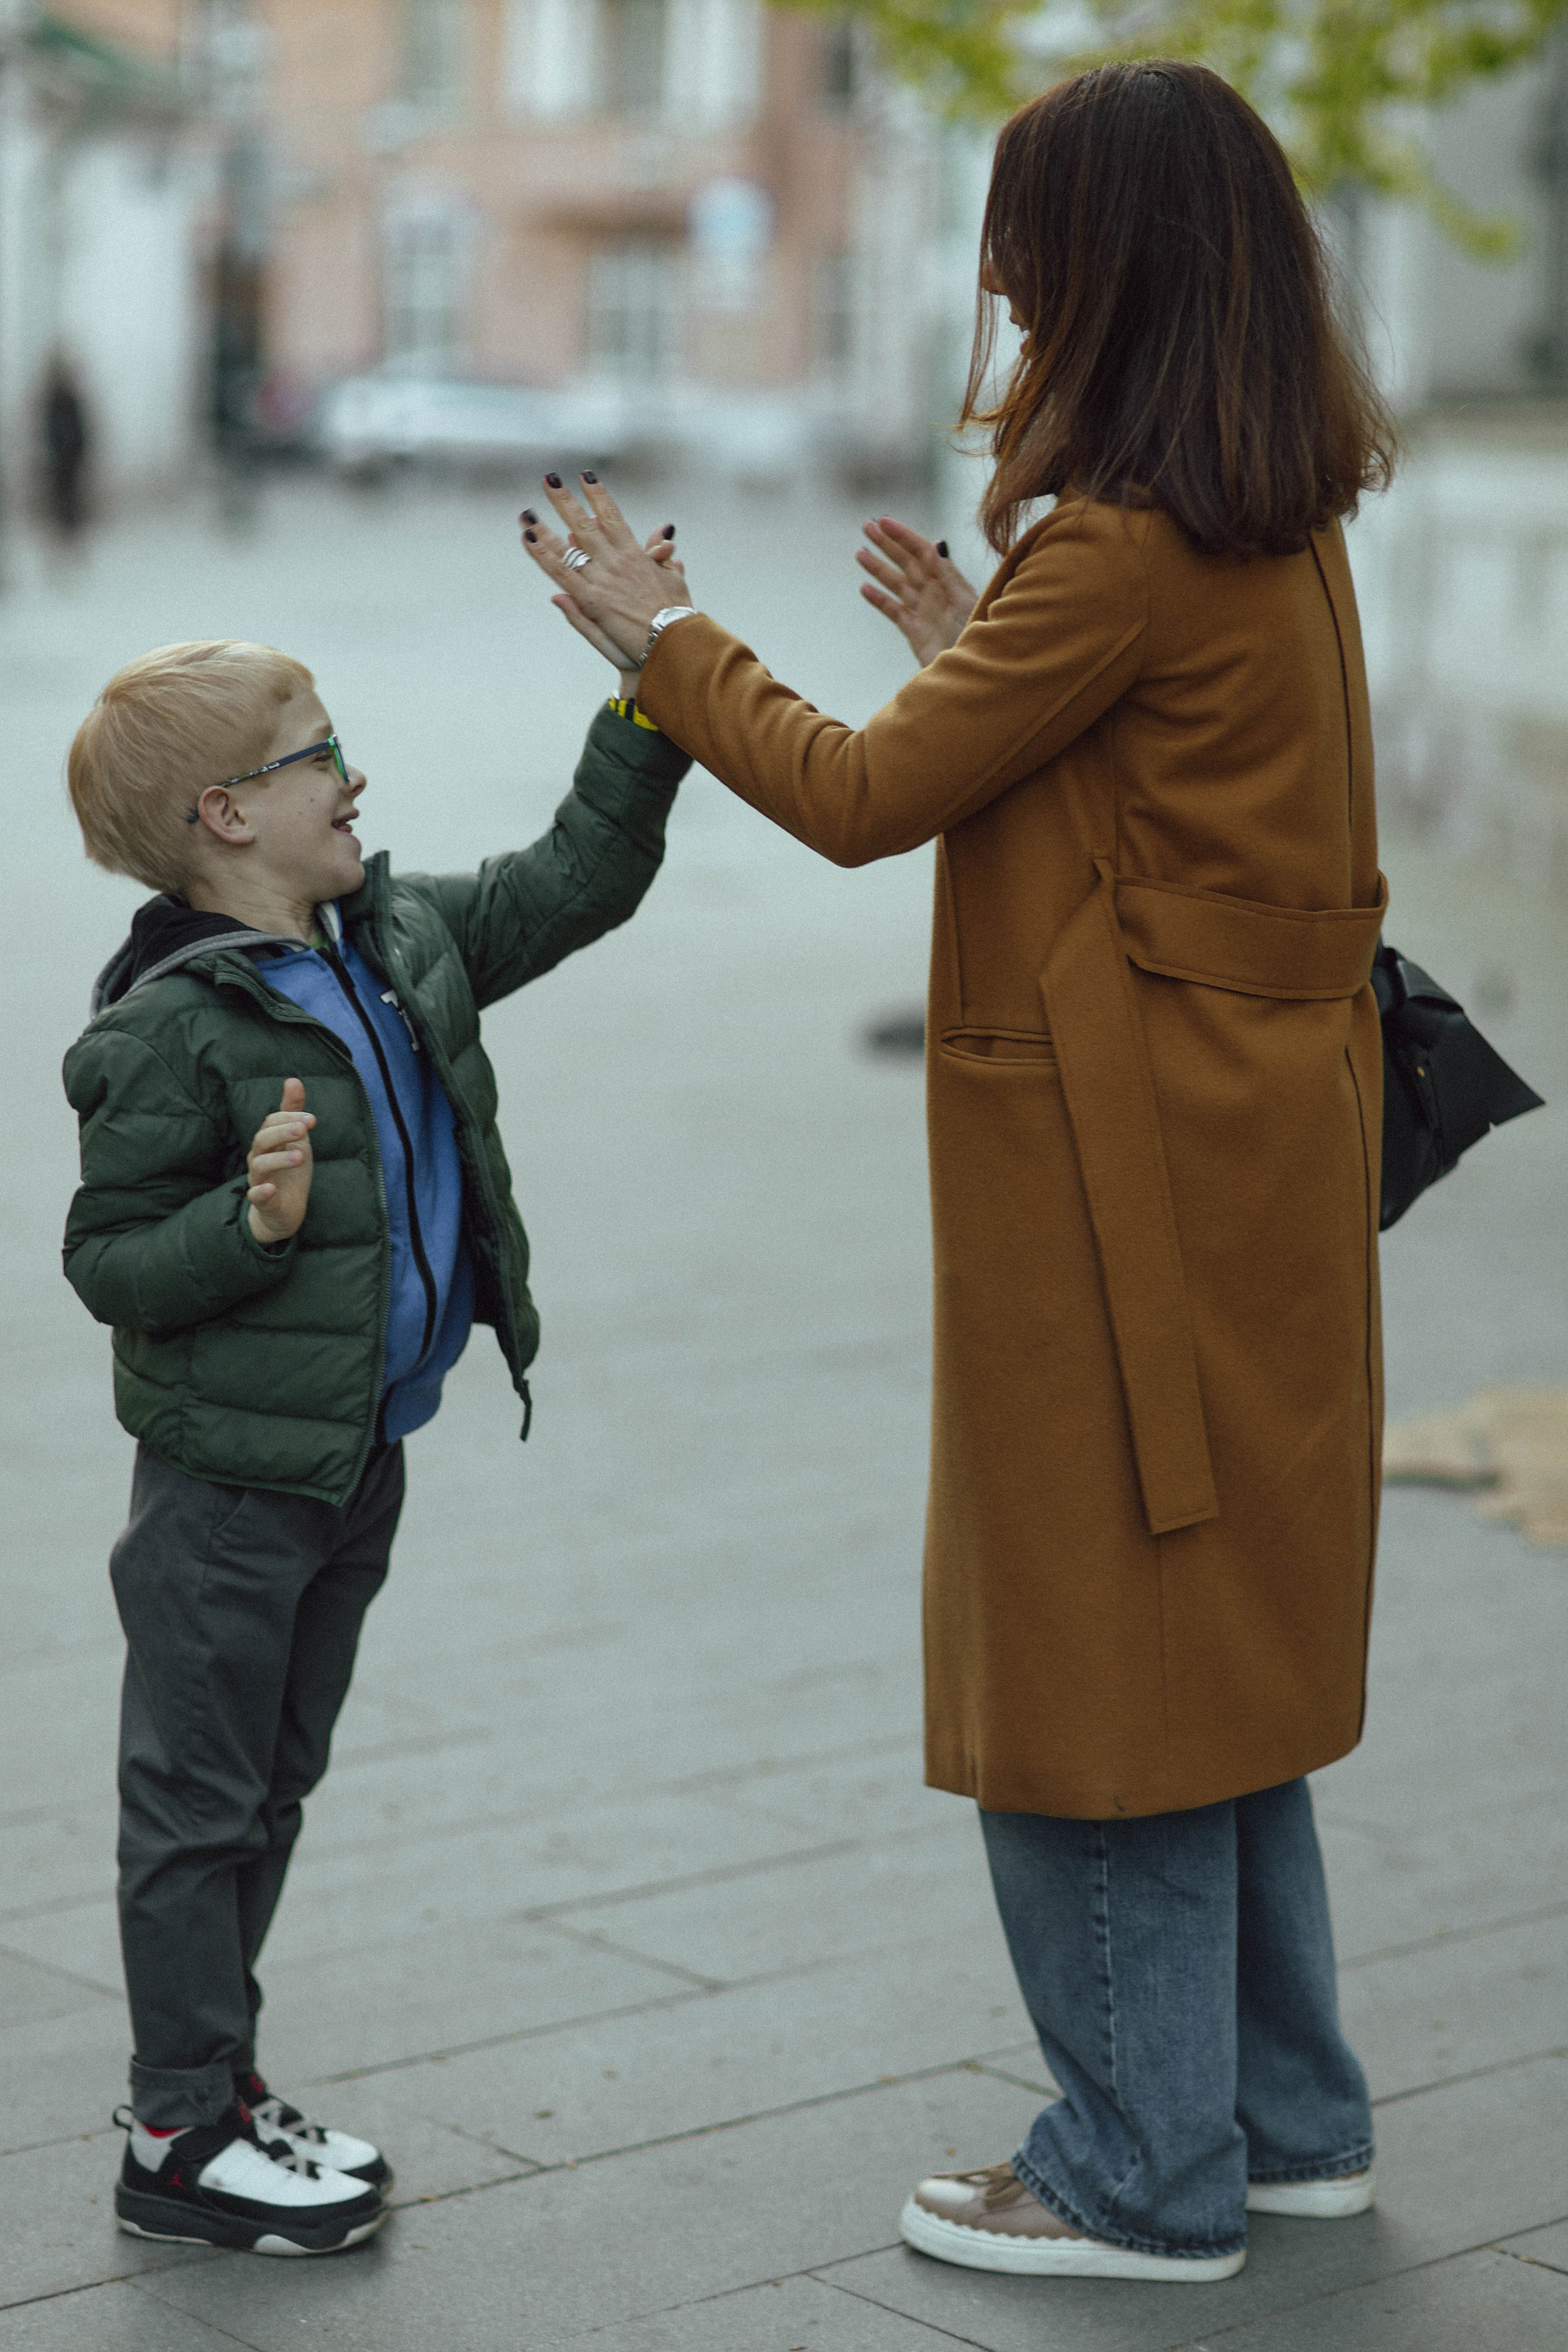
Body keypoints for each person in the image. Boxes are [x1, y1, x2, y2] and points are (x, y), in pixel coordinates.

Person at [519, 61, 1395, 2286]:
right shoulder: (1272, 526)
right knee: (1225, 1650)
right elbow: (1167, 804)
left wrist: (664, 645)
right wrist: (971, 660)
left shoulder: (1113, 549)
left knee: (1090, 1660)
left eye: (1027, 241)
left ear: (1108, 270)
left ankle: (1141, 2172)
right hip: (1255, 1166)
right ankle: (1289, 2124)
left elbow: (851, 799)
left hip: (1125, 1186)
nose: (1001, 278)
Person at [61, 581, 688, 2255]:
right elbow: (108, 1259)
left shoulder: (392, 945)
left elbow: (574, 881)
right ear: (227, 814)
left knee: (269, 1789)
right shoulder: (168, 1028)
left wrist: (654, 702)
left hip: (352, 1464)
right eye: (319, 754)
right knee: (197, 1808)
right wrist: (247, 1227)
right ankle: (178, 2132)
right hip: (226, 1495)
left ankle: (216, 2081)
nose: (354, 778)